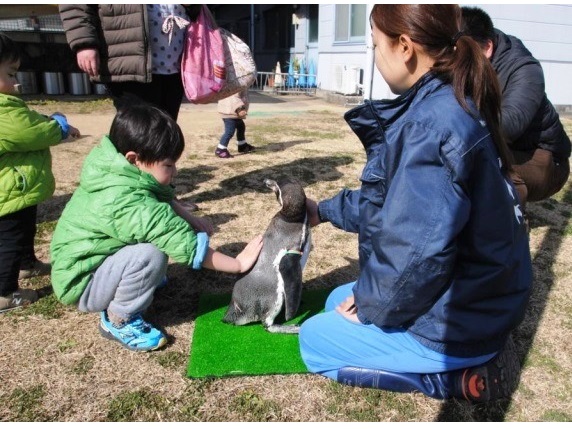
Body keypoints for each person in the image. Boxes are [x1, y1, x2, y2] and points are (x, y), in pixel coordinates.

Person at [299, 4, 532, 402]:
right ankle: (457, 357)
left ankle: (451, 379)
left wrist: (372, 302)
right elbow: (392, 206)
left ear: (404, 46)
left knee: (314, 340)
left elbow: (418, 250)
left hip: (462, 324)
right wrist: (322, 211)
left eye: (375, 44)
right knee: (338, 299)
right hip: (484, 304)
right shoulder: (449, 103)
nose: (374, 55)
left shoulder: (431, 124)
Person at [49, 104, 263, 352]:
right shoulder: (128, 202)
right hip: (82, 283)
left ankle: (131, 281)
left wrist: (191, 219)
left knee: (150, 252)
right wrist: (238, 264)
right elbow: (184, 244)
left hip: (91, 262)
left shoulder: (117, 170)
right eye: (168, 165)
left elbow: (162, 198)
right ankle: (119, 319)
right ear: (134, 158)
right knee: (151, 253)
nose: (175, 172)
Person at [0, 33, 80, 313]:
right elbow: (30, 131)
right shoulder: (2, 110)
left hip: (16, 191)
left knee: (24, 230)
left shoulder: (7, 106)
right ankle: (5, 293)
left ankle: (27, 265)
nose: (16, 81)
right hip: (8, 192)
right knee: (10, 239)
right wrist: (58, 125)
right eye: (10, 74)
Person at [461, 6, 571, 209]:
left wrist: (456, 119)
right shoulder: (468, 62)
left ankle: (509, 232)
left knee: (487, 169)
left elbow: (510, 125)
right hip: (503, 149)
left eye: (462, 55)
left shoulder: (525, 69)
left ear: (487, 48)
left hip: (545, 158)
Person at [59, 4, 201, 122]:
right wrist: (84, 43)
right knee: (139, 132)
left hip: (176, 62)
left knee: (166, 134)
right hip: (128, 56)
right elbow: (74, 6)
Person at [215, 90, 255, 158]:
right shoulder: (235, 85)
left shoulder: (239, 84)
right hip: (230, 112)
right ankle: (220, 149)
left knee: (241, 127)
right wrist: (239, 109)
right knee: (229, 131)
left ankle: (242, 145)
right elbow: (233, 98)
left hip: (233, 112)